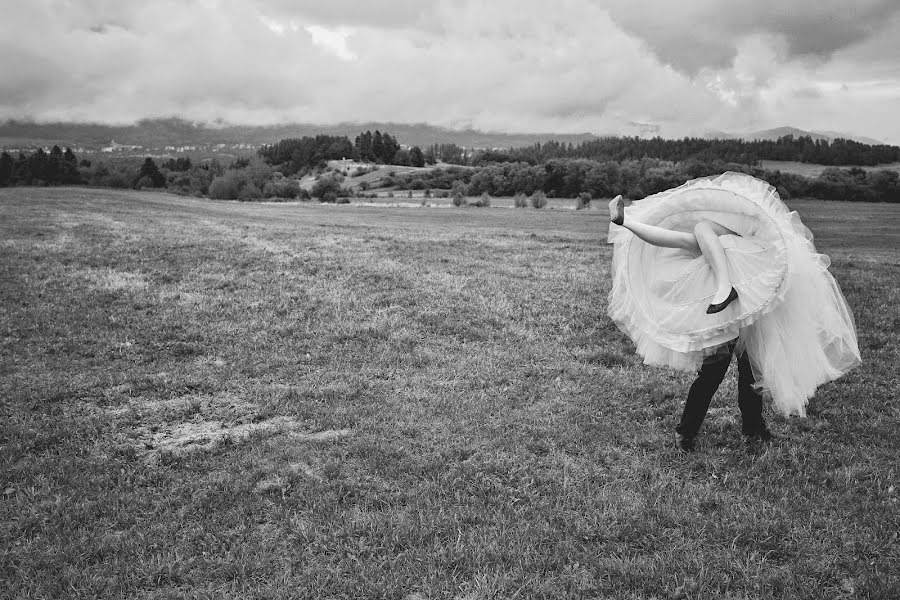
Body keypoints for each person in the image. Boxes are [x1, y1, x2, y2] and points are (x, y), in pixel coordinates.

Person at [605, 172, 861, 450]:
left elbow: (781, 255)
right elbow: (667, 238)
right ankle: (686, 431)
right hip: (722, 314)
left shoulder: (753, 244)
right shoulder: (705, 239)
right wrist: (625, 222)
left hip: (751, 311)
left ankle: (752, 427)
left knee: (750, 372)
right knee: (712, 373)